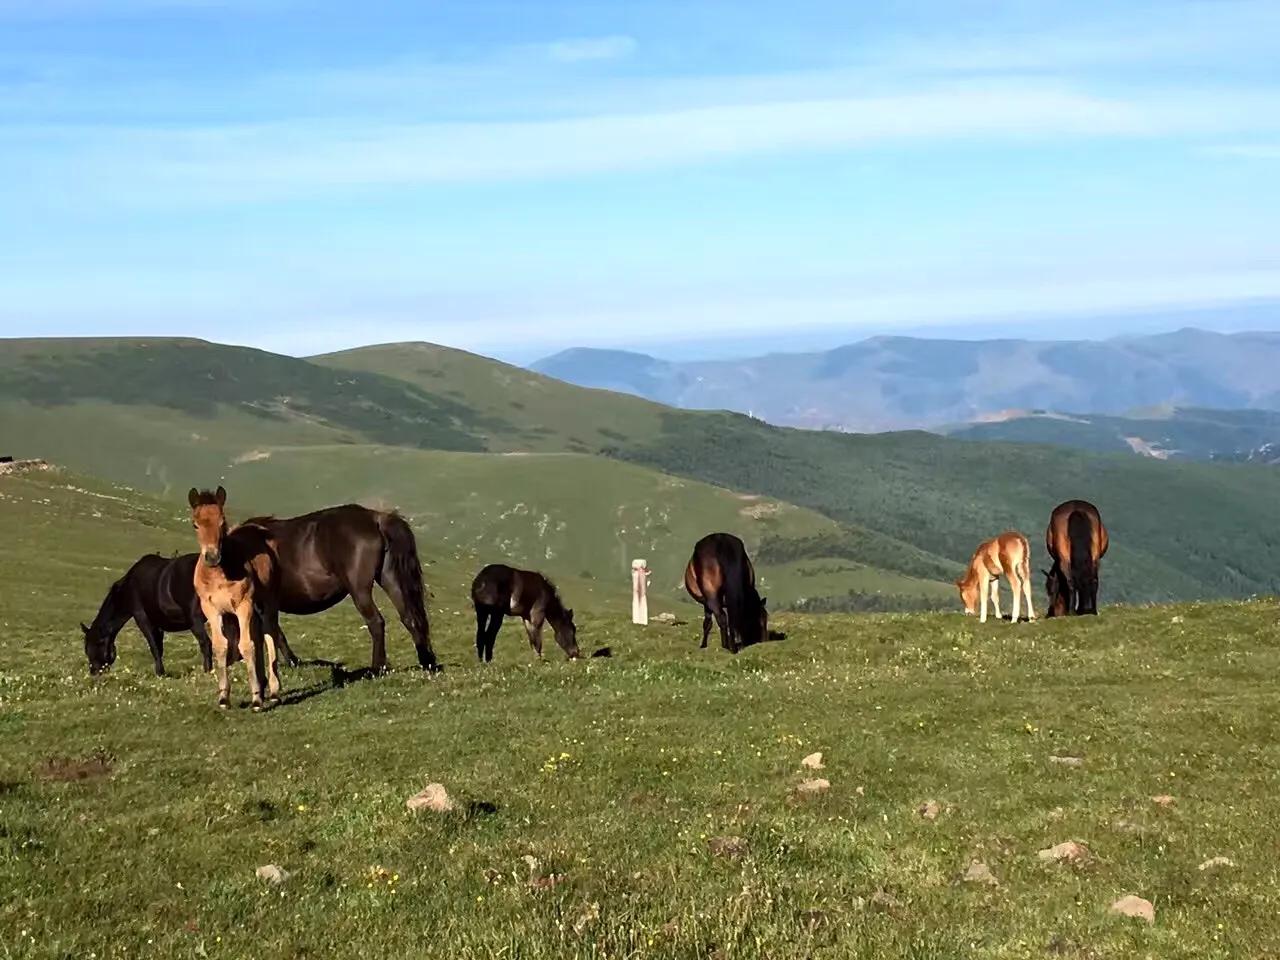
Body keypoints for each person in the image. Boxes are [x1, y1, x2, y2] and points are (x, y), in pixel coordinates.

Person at [631, 558, 650, 625]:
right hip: (638, 570)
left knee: (642, 594)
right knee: (636, 593)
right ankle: (636, 618)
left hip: (641, 570)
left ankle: (642, 619)